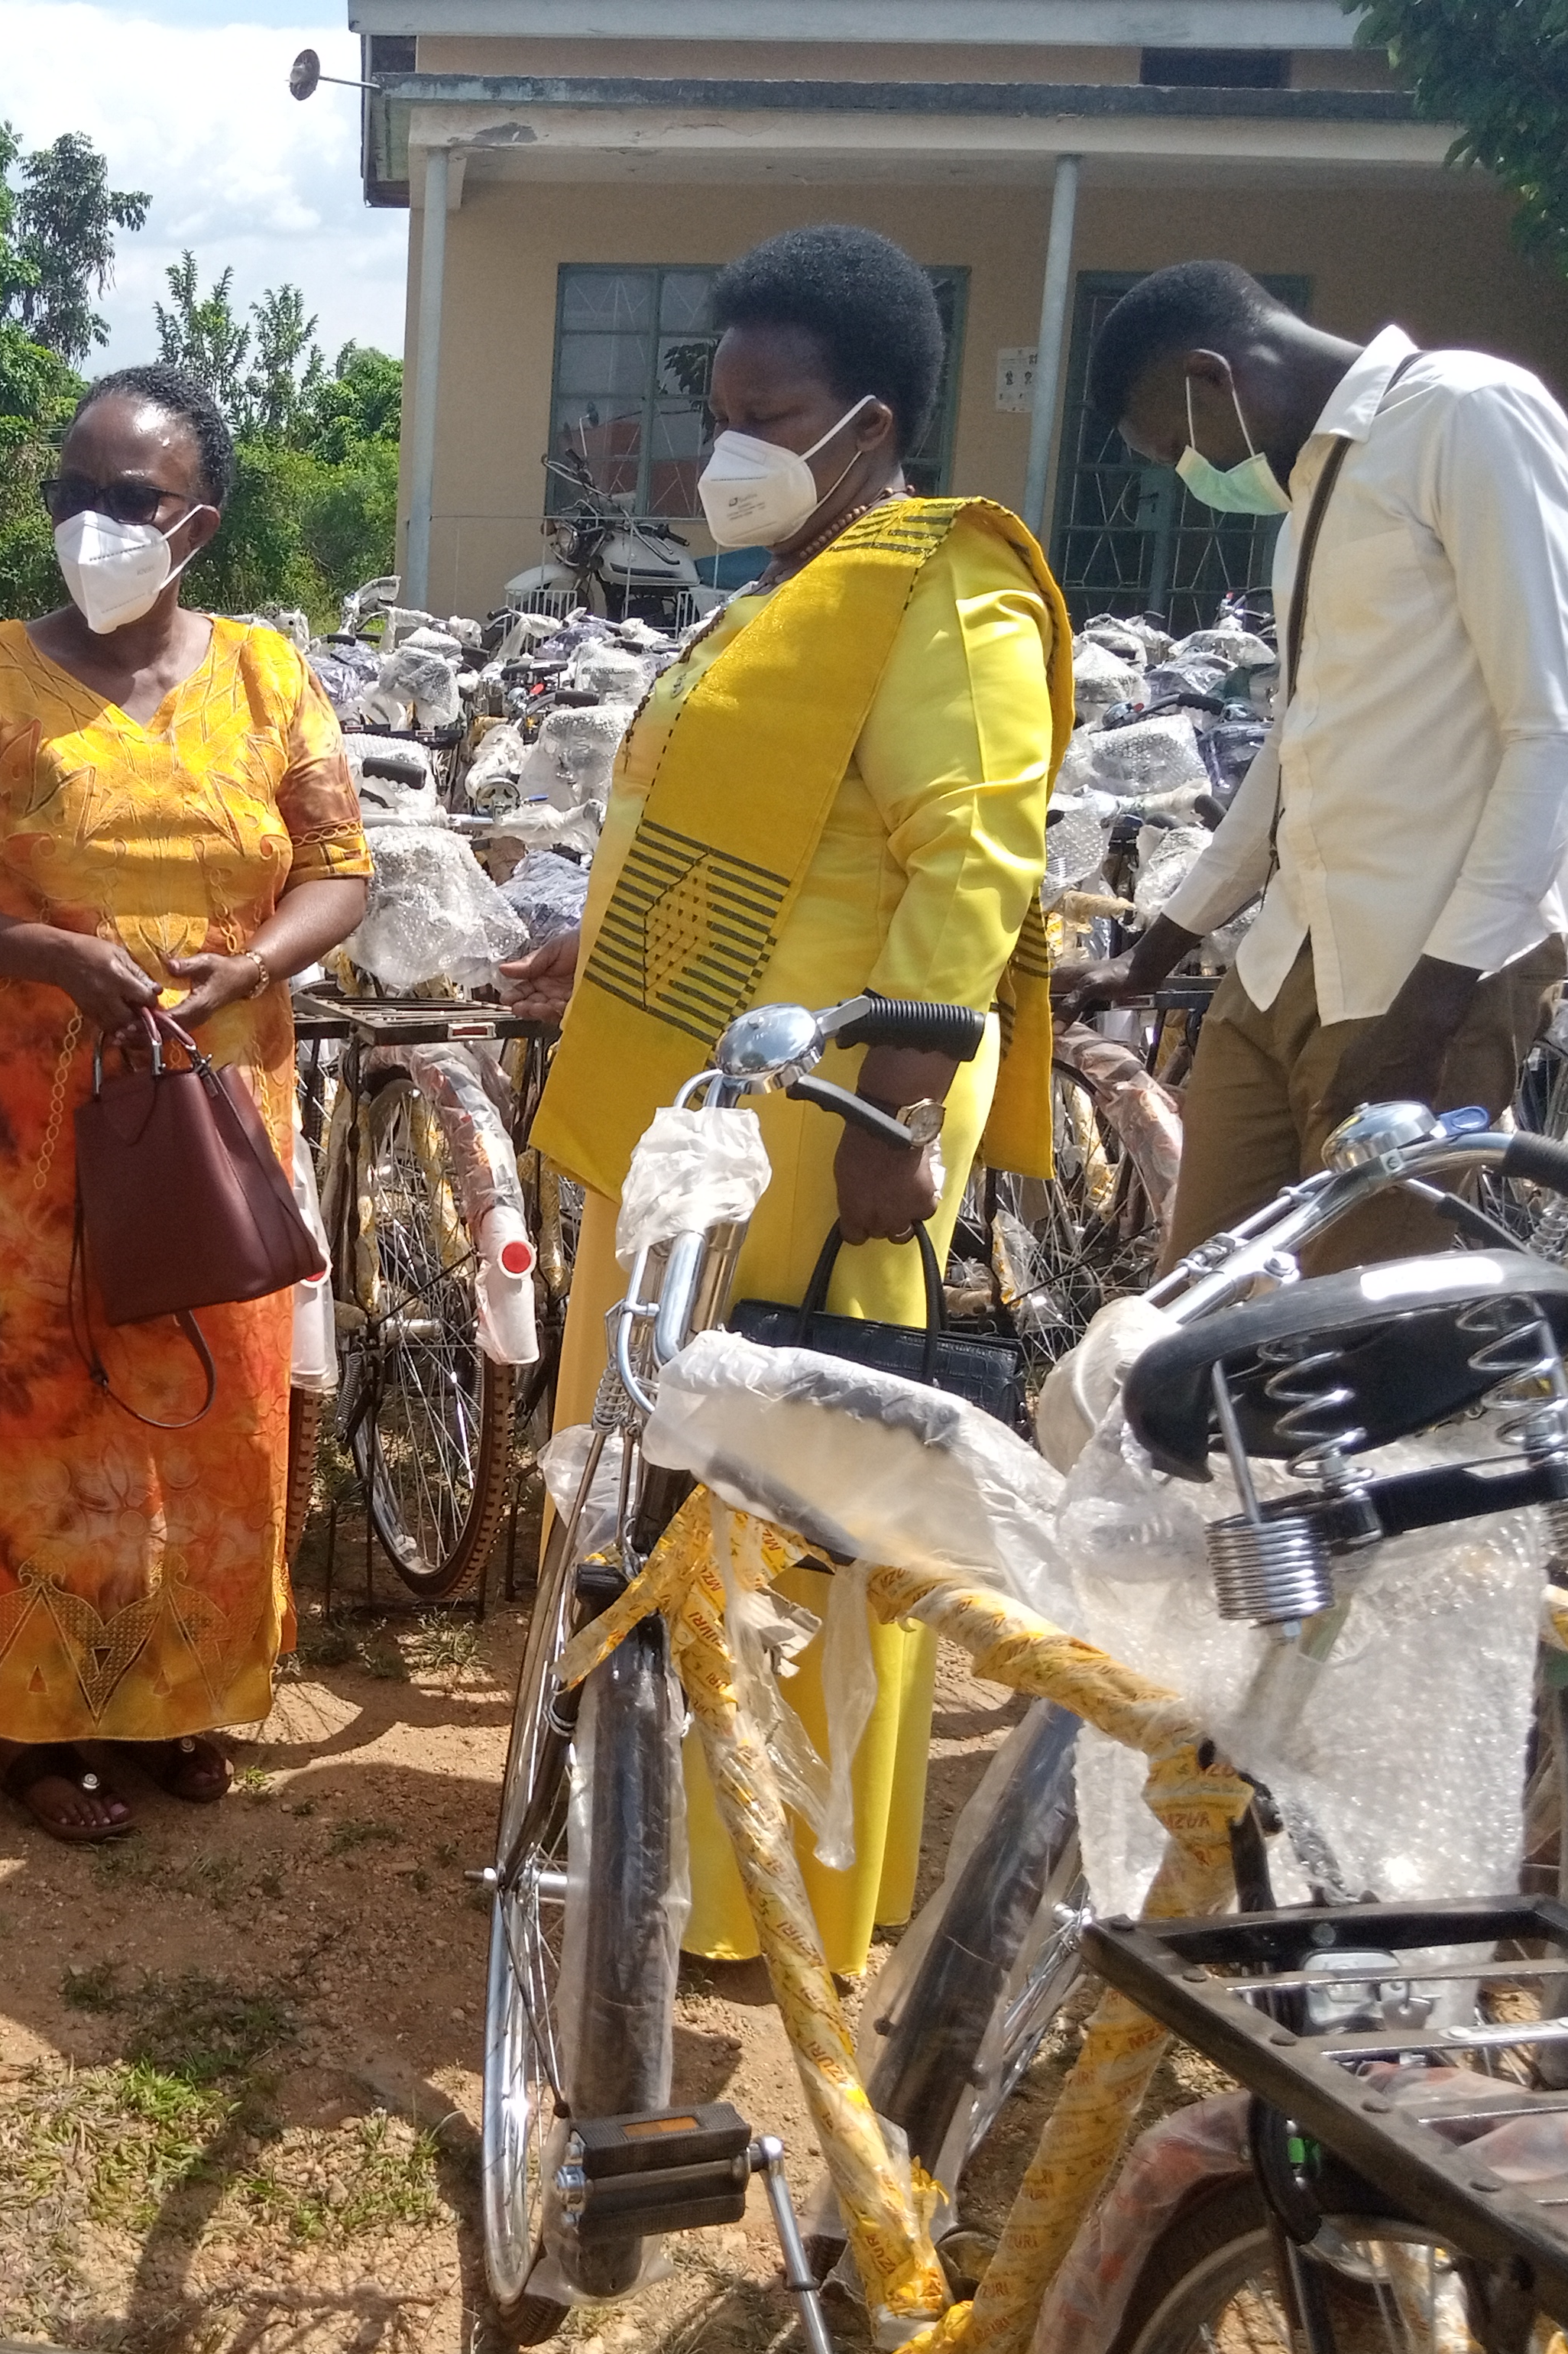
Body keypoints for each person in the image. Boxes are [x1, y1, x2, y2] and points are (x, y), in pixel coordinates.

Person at [501, 223, 1068, 1978]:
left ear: (871, 419)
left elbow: (968, 857)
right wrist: (588, 964)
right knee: (663, 1484)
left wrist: (902, 1117)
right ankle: (648, 1826)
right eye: (720, 409)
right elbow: (723, 839)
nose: (723, 448)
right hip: (694, 1118)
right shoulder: (789, 590)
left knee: (789, 1507)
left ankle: (760, 1877)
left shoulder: (939, 585)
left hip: (824, 1134)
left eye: (772, 411)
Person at [0, 364, 370, 1843]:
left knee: (207, 1412)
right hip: (12, 1133)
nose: (93, 522)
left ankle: (173, 1700)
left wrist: (255, 962)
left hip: (208, 1107)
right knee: (34, 1416)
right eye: (71, 494)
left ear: (196, 523)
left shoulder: (270, 678)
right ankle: (31, 1730)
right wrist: (50, 957)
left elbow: (341, 868)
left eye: (129, 499)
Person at [1057, 261, 1568, 1269]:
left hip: (1428, 972)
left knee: (1357, 1340)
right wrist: (1155, 952)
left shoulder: (1468, 415)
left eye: (1178, 444)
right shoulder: (1319, 479)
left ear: (1211, 375)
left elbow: (1560, 730)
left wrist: (1433, 1011)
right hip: (1288, 963)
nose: (1188, 471)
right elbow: (1300, 735)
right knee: (1196, 1309)